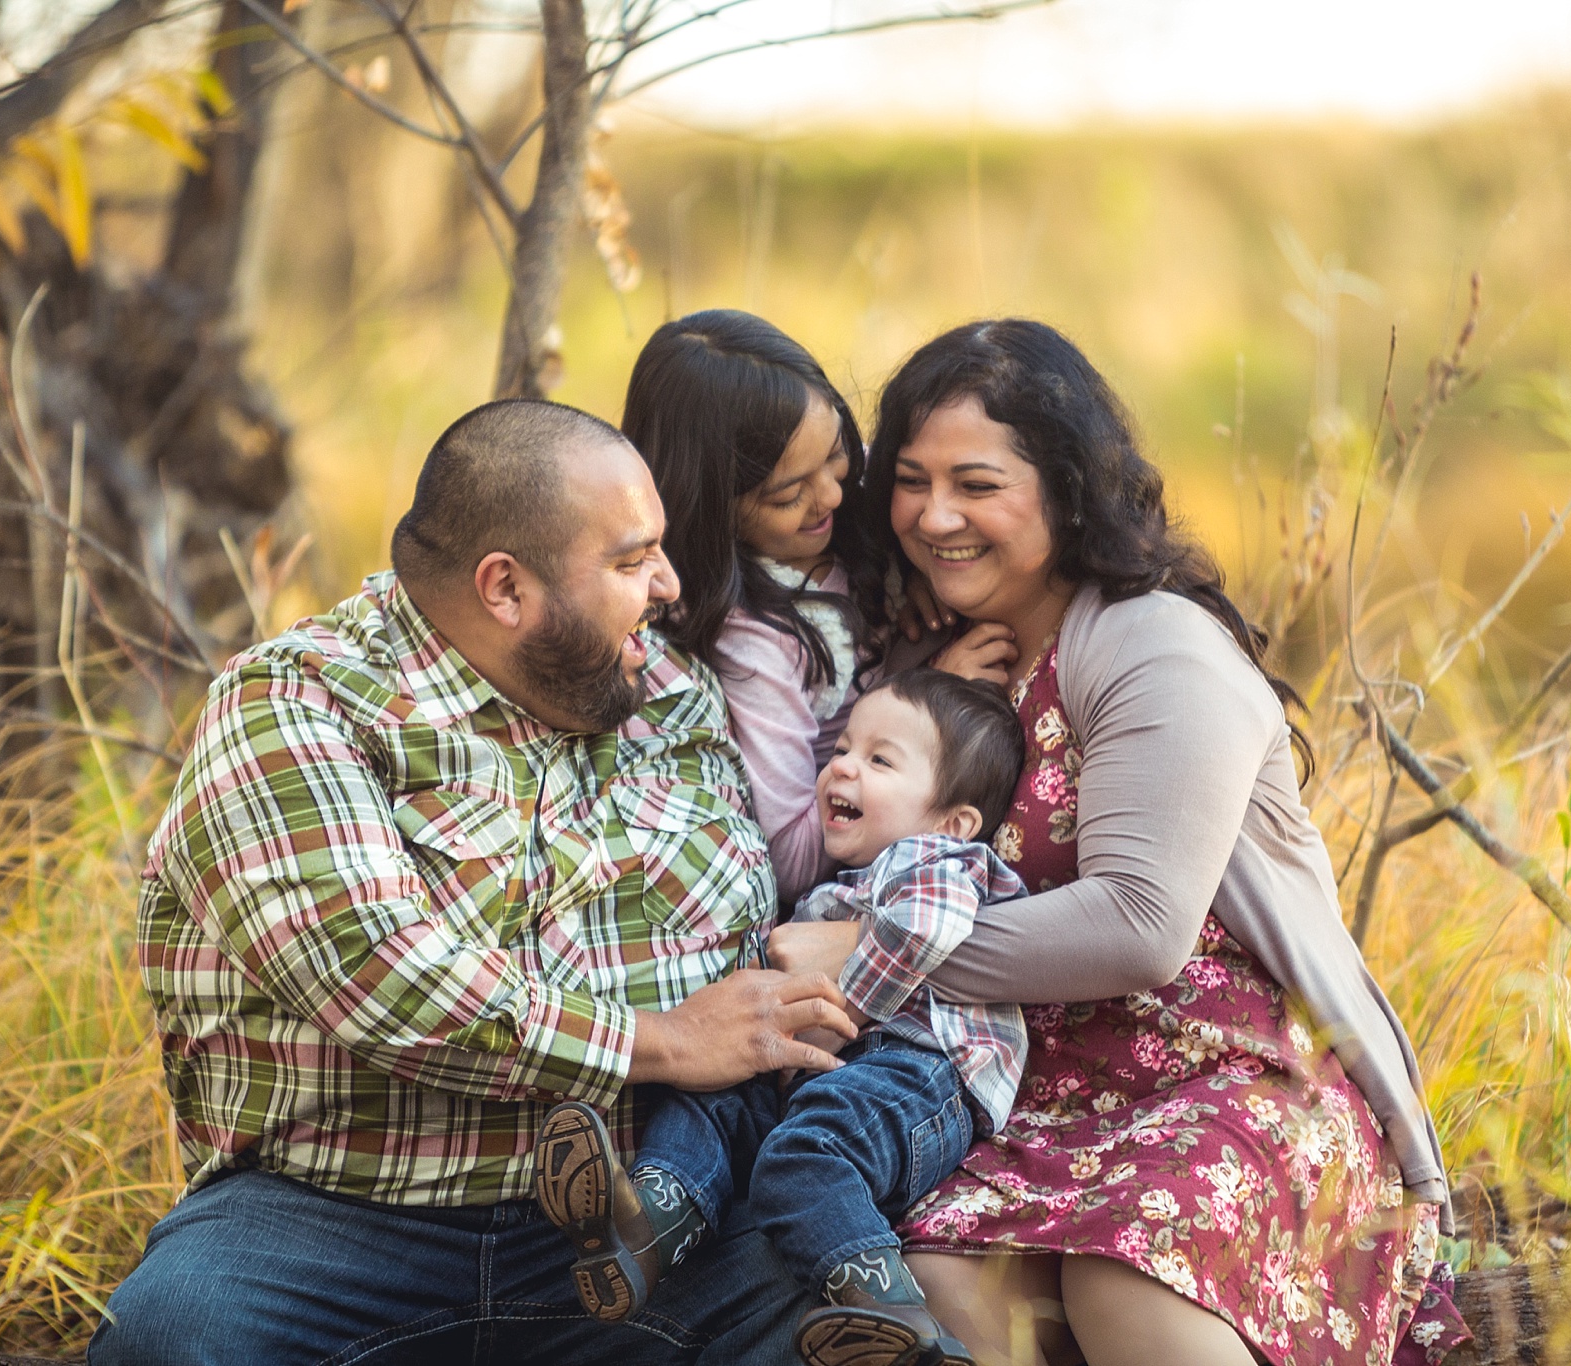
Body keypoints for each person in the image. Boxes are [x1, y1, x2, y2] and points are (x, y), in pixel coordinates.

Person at [90, 399, 862, 1366]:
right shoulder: (296, 707)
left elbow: (741, 921)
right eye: (631, 562)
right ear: (505, 588)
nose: (668, 586)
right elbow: (380, 976)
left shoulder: (663, 691)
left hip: (645, 1211)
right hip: (334, 1220)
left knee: (845, 1323)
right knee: (167, 1339)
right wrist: (663, 1040)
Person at [768, 320, 1472, 1366]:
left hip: (1229, 1076)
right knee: (941, 1280)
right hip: (1030, 1099)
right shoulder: (946, 662)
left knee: (1124, 1271)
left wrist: (869, 954)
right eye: (910, 481)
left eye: (976, 482)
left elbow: (1141, 926)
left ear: (1066, 487)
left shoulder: (1153, 643)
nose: (933, 515)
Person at [534, 668, 1028, 1366]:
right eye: (842, 750)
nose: (844, 768)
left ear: (953, 819)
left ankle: (895, 1317)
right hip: (836, 1075)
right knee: (712, 1096)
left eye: (879, 760)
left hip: (918, 1074)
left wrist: (847, 1000)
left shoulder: (938, 858)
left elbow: (925, 929)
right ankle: (647, 1223)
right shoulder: (846, 882)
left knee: (806, 1155)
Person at [619, 310, 1007, 901]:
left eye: (834, 453)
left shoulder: (856, 504)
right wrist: (927, 696)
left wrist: (921, 561)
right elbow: (792, 861)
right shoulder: (757, 641)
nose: (831, 494)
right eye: (787, 493)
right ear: (710, 506)